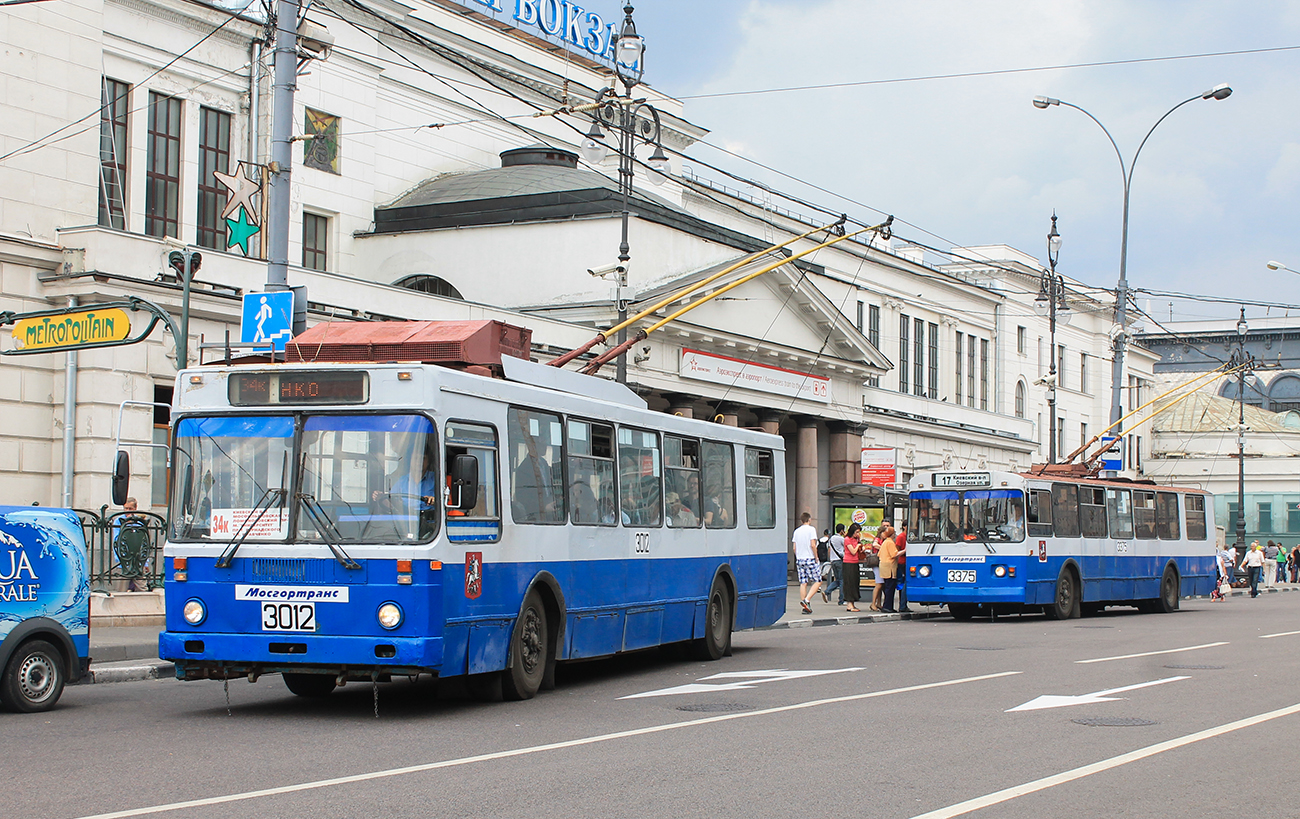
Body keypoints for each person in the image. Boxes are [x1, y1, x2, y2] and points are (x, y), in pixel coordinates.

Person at [792, 512, 821, 614]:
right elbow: (813, 545)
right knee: (818, 581)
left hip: (800, 559)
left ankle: (805, 607)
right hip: (810, 558)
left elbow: (794, 548)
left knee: (803, 583)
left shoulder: (796, 531)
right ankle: (806, 600)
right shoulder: (811, 529)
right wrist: (816, 557)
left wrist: (798, 556)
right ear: (809, 520)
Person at [841, 522, 864, 612]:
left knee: (855, 582)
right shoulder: (847, 539)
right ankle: (849, 605)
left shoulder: (857, 539)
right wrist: (858, 546)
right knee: (849, 582)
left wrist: (862, 548)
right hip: (848, 562)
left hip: (855, 562)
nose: (858, 534)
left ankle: (853, 603)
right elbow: (853, 551)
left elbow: (858, 551)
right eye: (856, 532)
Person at [877, 524, 900, 613]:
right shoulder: (890, 542)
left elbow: (879, 554)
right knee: (890, 588)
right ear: (892, 534)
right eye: (894, 533)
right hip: (889, 568)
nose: (895, 535)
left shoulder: (885, 542)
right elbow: (894, 554)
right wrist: (904, 551)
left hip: (883, 566)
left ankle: (887, 606)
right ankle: (887, 607)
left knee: (887, 587)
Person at [823, 524, 845, 604]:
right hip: (840, 560)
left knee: (838, 579)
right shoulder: (841, 539)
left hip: (833, 561)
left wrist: (830, 560)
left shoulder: (831, 538)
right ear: (842, 530)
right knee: (842, 580)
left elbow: (829, 550)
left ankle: (827, 591)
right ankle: (841, 600)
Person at [895, 521, 911, 613]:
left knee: (904, 583)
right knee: (904, 583)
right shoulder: (901, 537)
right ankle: (902, 605)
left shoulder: (909, 537)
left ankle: (903, 604)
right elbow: (897, 551)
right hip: (902, 562)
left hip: (907, 561)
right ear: (904, 527)